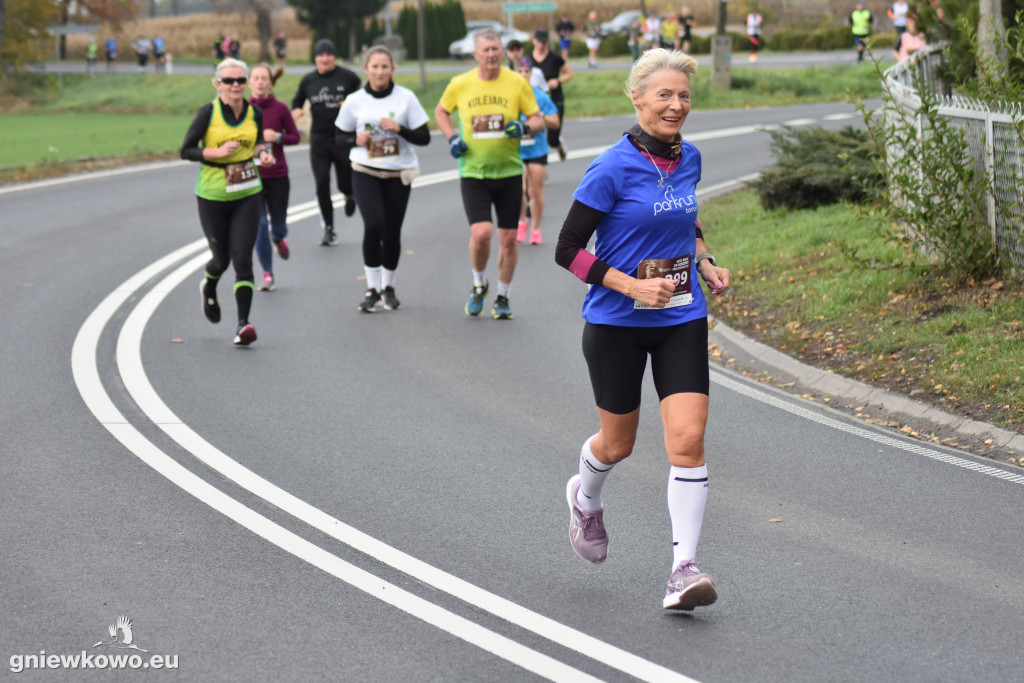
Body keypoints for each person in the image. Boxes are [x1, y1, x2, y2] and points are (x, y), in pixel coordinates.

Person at [553, 48, 731, 611]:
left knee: (688, 440)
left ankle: (684, 569)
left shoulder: (690, 158)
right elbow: (565, 250)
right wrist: (630, 286)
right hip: (616, 324)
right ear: (637, 98)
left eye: (683, 96)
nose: (676, 105)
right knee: (618, 444)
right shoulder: (610, 167)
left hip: (681, 315)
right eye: (664, 95)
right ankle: (585, 497)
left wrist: (702, 260)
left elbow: (686, 216)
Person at [435, 28, 543, 320]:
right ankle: (479, 284)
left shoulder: (516, 83)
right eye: (486, 50)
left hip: (509, 171)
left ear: (502, 51)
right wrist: (451, 138)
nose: (492, 54)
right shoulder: (460, 83)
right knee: (481, 233)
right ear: (476, 54)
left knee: (508, 239)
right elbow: (441, 112)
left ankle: (503, 297)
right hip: (473, 171)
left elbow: (537, 119)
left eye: (496, 49)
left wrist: (524, 128)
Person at [180, 58, 275, 346]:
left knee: (242, 259)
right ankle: (208, 287)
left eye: (241, 81)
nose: (236, 85)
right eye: (229, 81)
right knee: (220, 260)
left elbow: (257, 141)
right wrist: (216, 153)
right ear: (217, 84)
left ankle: (243, 325)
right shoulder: (207, 112)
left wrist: (263, 154)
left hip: (247, 191)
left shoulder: (254, 111)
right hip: (213, 194)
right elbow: (185, 150)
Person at [336, 45, 431, 313]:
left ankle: (388, 287)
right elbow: (337, 137)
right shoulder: (355, 100)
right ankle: (372, 288)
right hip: (366, 170)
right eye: (374, 66)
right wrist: (355, 139)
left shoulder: (406, 98)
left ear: (392, 69)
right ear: (366, 69)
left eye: (384, 66)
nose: (379, 72)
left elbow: (424, 137)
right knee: (374, 224)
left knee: (392, 230)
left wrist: (400, 129)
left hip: (398, 172)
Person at [290, 38, 362, 247]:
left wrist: (350, 103)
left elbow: (364, 97)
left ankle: (349, 195)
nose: (325, 58)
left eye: (328, 54)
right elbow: (297, 100)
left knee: (344, 181)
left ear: (334, 56)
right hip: (319, 139)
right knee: (322, 183)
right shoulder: (308, 80)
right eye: (320, 55)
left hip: (342, 137)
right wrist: (297, 110)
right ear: (315, 58)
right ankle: (329, 230)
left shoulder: (347, 76)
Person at [248, 63, 300, 293]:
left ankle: (279, 238)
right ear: (249, 82)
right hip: (252, 176)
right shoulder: (243, 110)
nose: (260, 82)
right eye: (256, 78)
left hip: (278, 174)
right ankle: (267, 274)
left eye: (264, 78)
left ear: (270, 83)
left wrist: (278, 136)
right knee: (259, 225)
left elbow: (296, 137)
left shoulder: (280, 109)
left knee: (277, 226)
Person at [515, 60, 560, 246]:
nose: (523, 74)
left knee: (535, 191)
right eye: (519, 70)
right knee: (519, 190)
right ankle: (521, 221)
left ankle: (536, 228)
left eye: (526, 70)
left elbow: (555, 122)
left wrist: (540, 116)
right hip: (515, 150)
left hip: (537, 150)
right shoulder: (510, 96)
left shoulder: (540, 97)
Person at [529, 28, 572, 161]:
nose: (542, 45)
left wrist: (557, 81)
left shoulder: (555, 58)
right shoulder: (528, 59)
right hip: (534, 100)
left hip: (554, 98)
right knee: (535, 135)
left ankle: (558, 145)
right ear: (533, 41)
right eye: (539, 42)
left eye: (544, 42)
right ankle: (541, 166)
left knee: (552, 139)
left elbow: (569, 73)